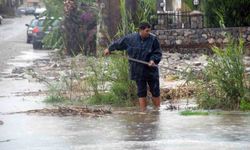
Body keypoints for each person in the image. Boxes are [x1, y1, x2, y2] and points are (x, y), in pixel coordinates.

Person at [104, 22, 162, 111]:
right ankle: (144, 113)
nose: (148, 33)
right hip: (137, 70)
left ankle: (157, 111)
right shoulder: (130, 39)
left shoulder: (153, 39)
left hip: (151, 70)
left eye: (149, 31)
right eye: (147, 31)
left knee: (155, 91)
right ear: (141, 30)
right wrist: (109, 49)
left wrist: (153, 60)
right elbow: (119, 43)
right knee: (141, 92)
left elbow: (157, 52)